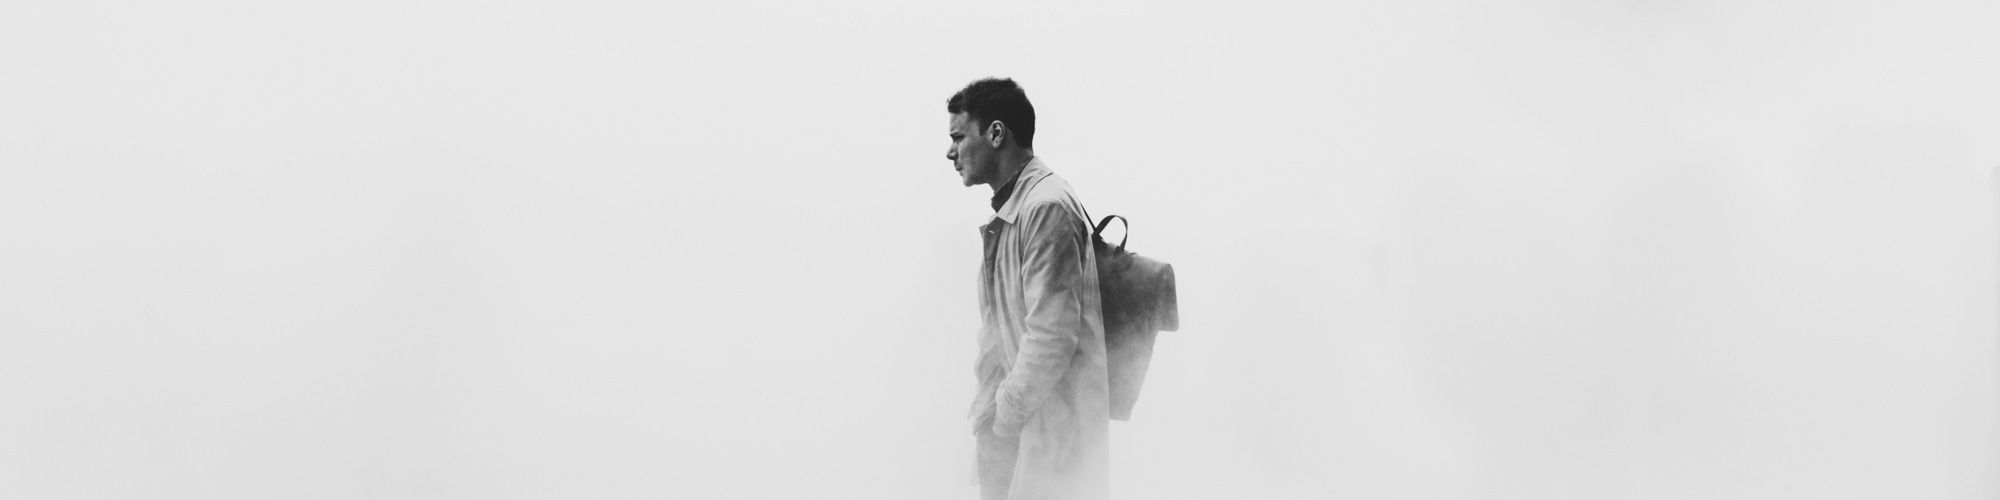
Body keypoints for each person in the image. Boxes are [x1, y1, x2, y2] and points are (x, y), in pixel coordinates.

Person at [947, 78, 1111, 500]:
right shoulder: (1016, 211)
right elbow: (998, 335)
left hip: (1047, 444)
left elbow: (1052, 336)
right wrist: (988, 419)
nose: (950, 152)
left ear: (996, 133)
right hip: (1018, 439)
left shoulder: (1044, 207)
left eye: (958, 137)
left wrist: (1005, 414)